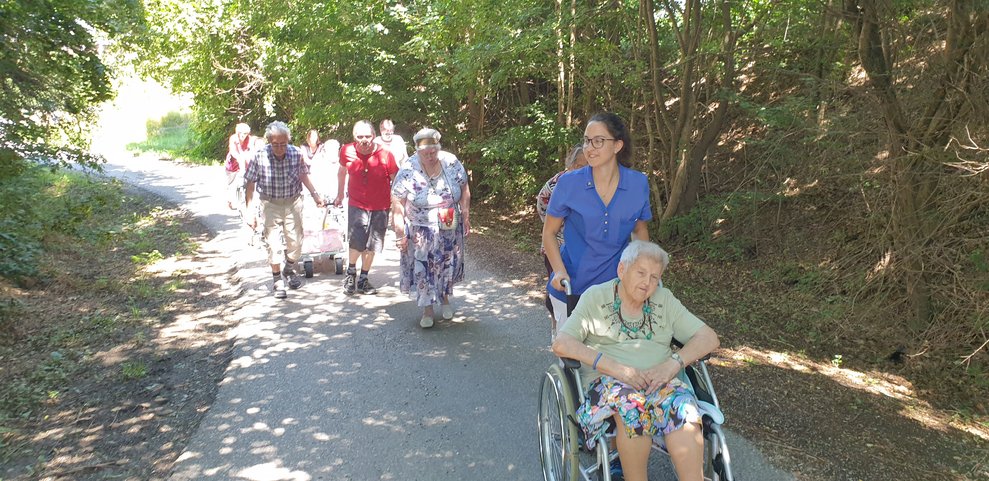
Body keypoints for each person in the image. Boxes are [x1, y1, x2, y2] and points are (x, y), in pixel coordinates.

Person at [552, 240, 720, 481]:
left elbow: (709, 337)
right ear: (622, 270)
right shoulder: (595, 298)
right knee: (633, 409)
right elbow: (561, 343)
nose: (647, 283)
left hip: (660, 382)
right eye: (641, 273)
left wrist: (673, 364)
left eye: (654, 277)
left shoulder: (664, 300)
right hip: (611, 382)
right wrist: (618, 369)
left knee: (685, 410)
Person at [543, 112, 651, 333]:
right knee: (570, 351)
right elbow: (549, 233)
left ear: (617, 145)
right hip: (571, 287)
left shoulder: (638, 184)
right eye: (586, 140)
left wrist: (644, 268)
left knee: (612, 352)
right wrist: (559, 272)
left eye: (598, 141)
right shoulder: (568, 183)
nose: (589, 148)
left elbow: (639, 229)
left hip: (616, 289)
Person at [390, 128, 471, 328]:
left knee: (446, 263)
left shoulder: (451, 162)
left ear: (438, 149)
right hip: (421, 230)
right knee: (423, 268)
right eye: (425, 153)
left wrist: (466, 214)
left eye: (433, 152)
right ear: (417, 151)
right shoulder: (408, 169)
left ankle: (445, 299)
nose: (430, 156)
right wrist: (400, 233)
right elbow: (397, 202)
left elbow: (464, 188)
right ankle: (427, 309)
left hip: (448, 224)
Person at [244, 121, 325, 299]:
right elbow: (250, 184)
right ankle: (277, 279)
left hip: (293, 202)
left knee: (296, 243)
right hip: (270, 203)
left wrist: (315, 195)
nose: (280, 148)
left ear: (288, 141)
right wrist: (249, 211)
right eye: (275, 144)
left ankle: (288, 269)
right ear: (269, 142)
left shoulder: (296, 153)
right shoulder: (259, 156)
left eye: (283, 144)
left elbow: (303, 175)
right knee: (273, 244)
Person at [334, 120, 399, 296]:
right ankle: (350, 273)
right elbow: (341, 172)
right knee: (357, 240)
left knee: (373, 243)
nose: (364, 140)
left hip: (380, 205)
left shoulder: (386, 155)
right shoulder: (346, 150)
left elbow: (397, 180)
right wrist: (340, 195)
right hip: (357, 203)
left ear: (374, 136)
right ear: (354, 137)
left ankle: (363, 278)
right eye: (360, 136)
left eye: (368, 136)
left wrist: (398, 205)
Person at [536, 144, 587, 336]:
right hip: (556, 244)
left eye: (588, 165)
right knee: (559, 288)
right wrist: (558, 227)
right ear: (571, 165)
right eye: (580, 165)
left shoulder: (594, 184)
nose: (584, 170)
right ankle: (556, 327)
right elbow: (542, 206)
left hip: (582, 248)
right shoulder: (557, 184)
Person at [225, 122, 262, 210]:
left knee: (249, 180)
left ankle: (248, 201)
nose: (242, 135)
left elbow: (253, 150)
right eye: (240, 133)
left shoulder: (250, 140)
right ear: (237, 132)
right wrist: (239, 158)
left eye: (245, 133)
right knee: (232, 183)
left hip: (245, 163)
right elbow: (233, 151)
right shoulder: (233, 138)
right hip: (233, 164)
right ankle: (230, 199)